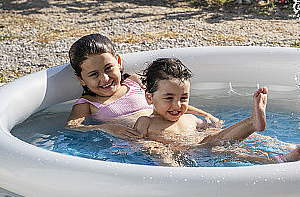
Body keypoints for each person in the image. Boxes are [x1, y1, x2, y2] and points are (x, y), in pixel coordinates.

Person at [133, 57, 300, 165]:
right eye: (169, 98)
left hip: (205, 144)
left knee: (249, 141)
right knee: (222, 148)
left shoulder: (190, 118)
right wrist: (163, 157)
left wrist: (210, 122)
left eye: (184, 98)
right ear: (149, 98)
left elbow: (208, 129)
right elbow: (137, 143)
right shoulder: (146, 123)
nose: (177, 105)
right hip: (188, 153)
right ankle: (274, 155)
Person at [66, 34, 218, 139]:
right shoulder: (87, 103)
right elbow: (72, 127)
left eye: (108, 68)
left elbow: (168, 100)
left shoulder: (133, 82)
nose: (105, 78)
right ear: (82, 79)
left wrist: (204, 114)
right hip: (144, 140)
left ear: (118, 62)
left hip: (172, 128)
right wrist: (106, 128)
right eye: (94, 75)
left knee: (215, 142)